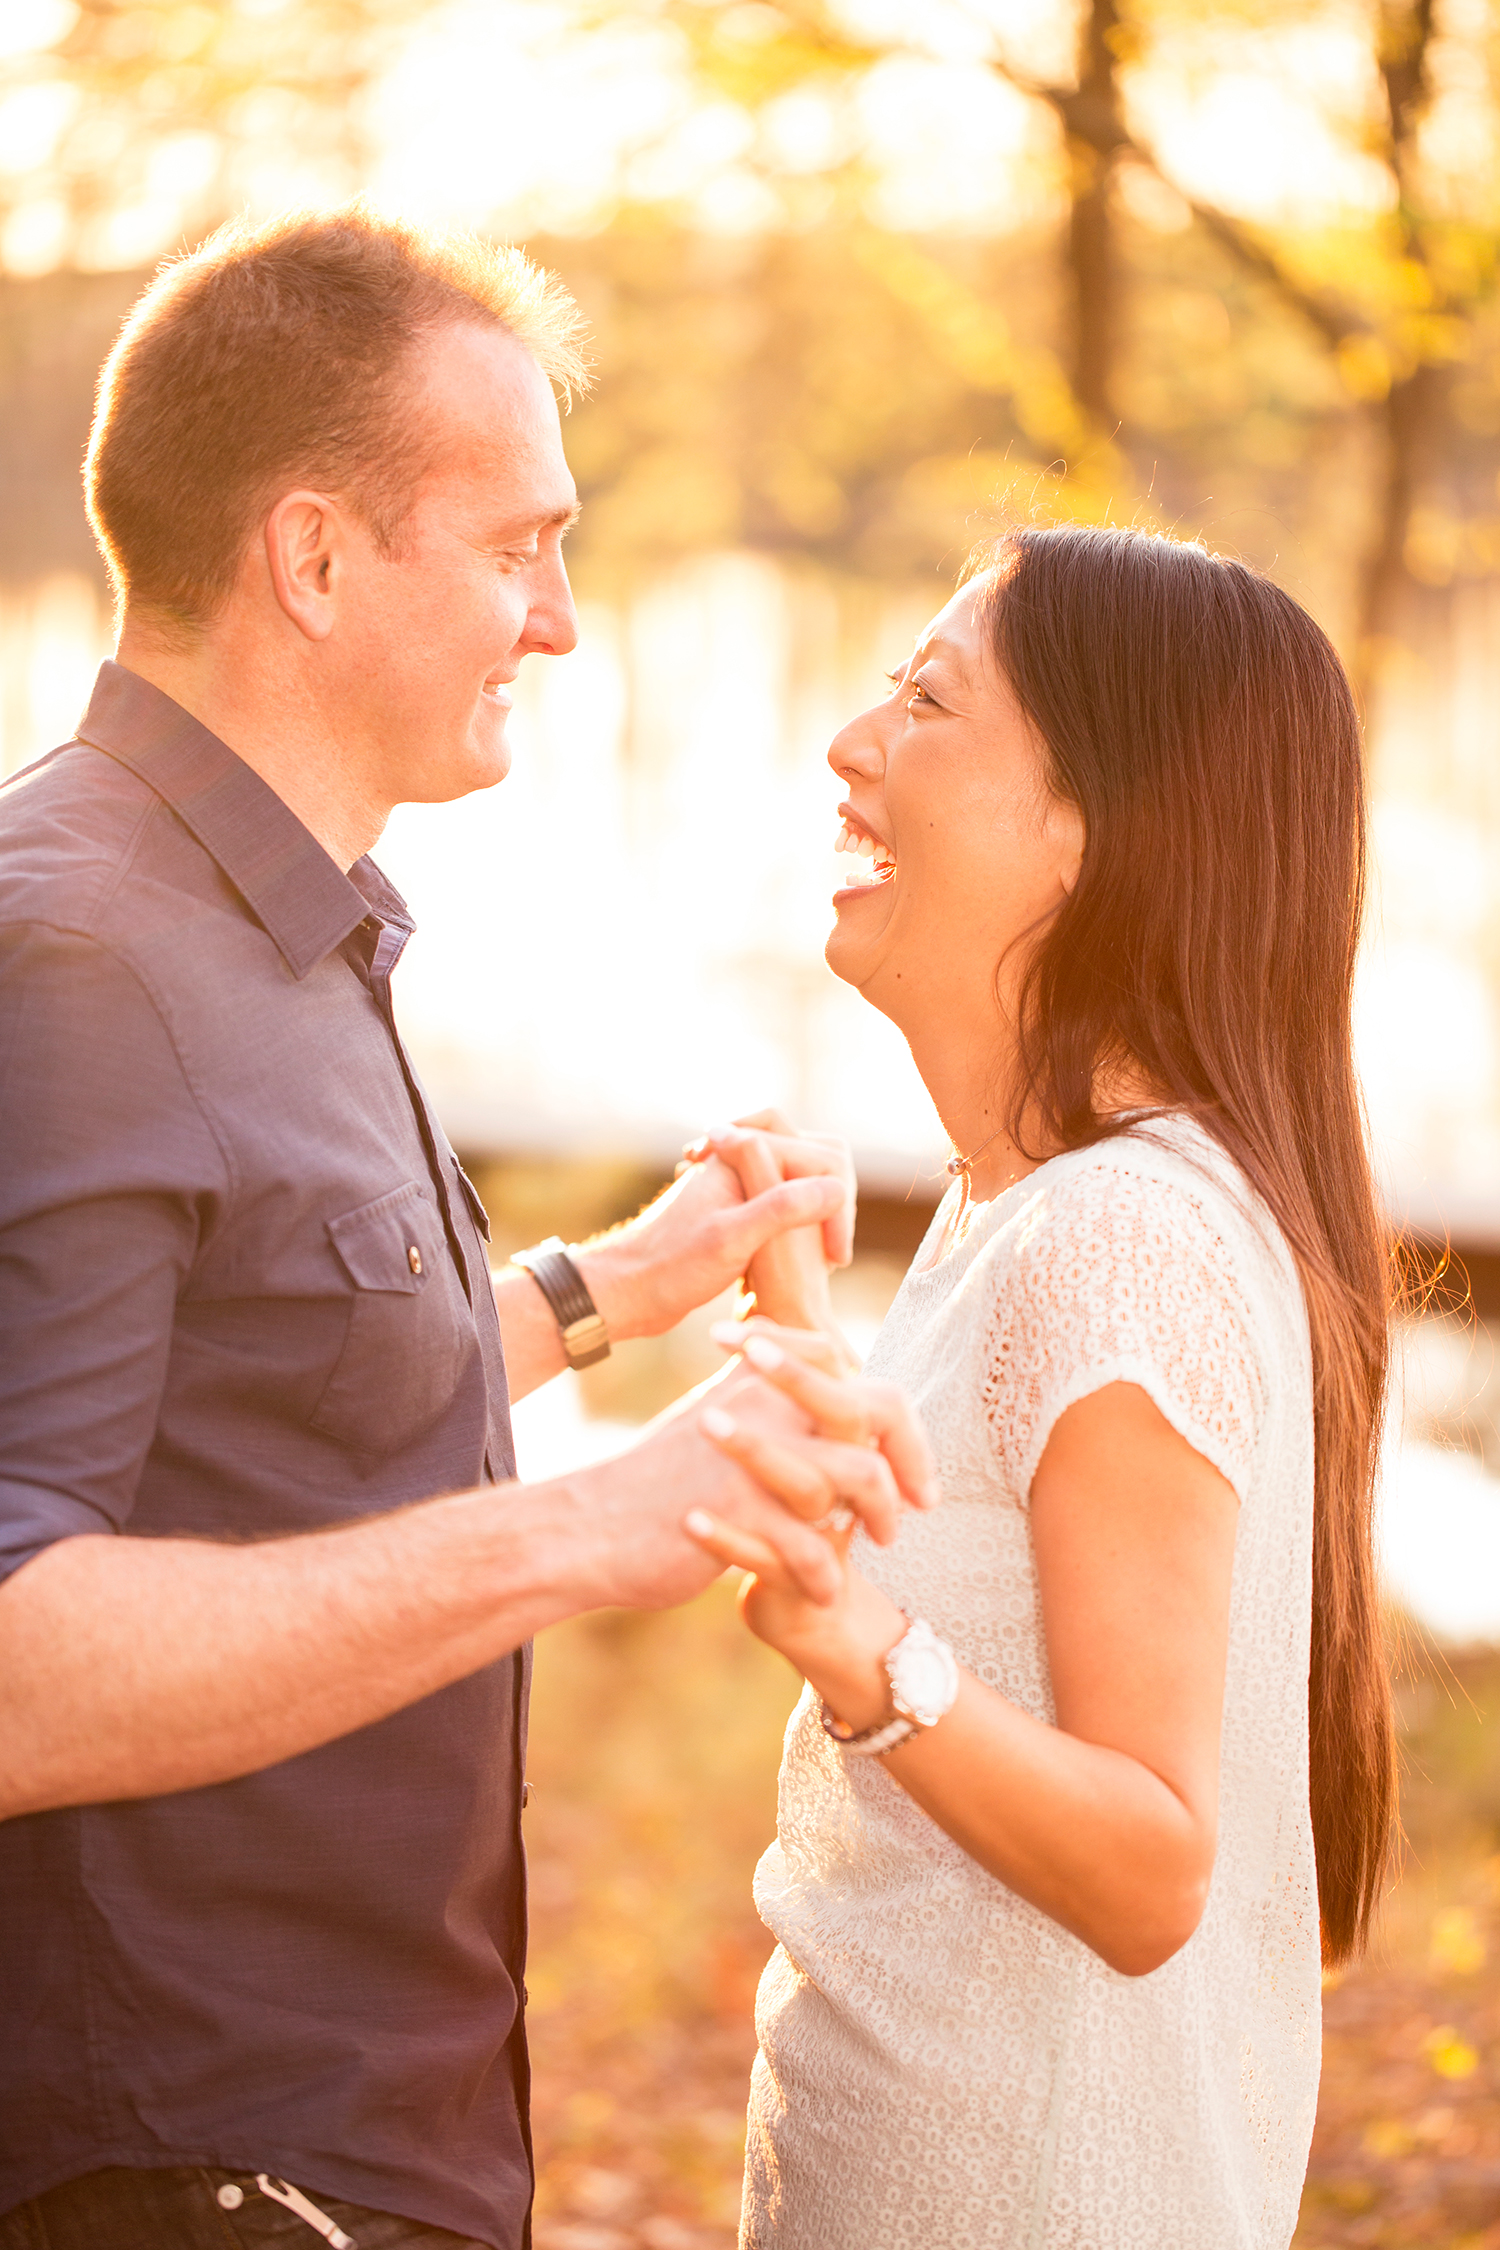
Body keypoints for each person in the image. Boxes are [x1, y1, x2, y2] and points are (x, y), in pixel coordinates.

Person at [0, 208, 935, 2250]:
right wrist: (600, 1527)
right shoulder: (73, 951)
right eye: (518, 549)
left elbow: (249, 1395)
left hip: (365, 2140)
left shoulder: (267, 921)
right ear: (315, 559)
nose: (567, 624)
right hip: (193, 2171)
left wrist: (607, 1292)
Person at [686, 525, 1395, 2250]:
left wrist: (861, 1653)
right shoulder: (1041, 1206)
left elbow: (1150, 1863)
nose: (854, 747)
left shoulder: (1119, 1236)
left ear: (1086, 835)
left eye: (927, 702)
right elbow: (997, 1563)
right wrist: (797, 1318)